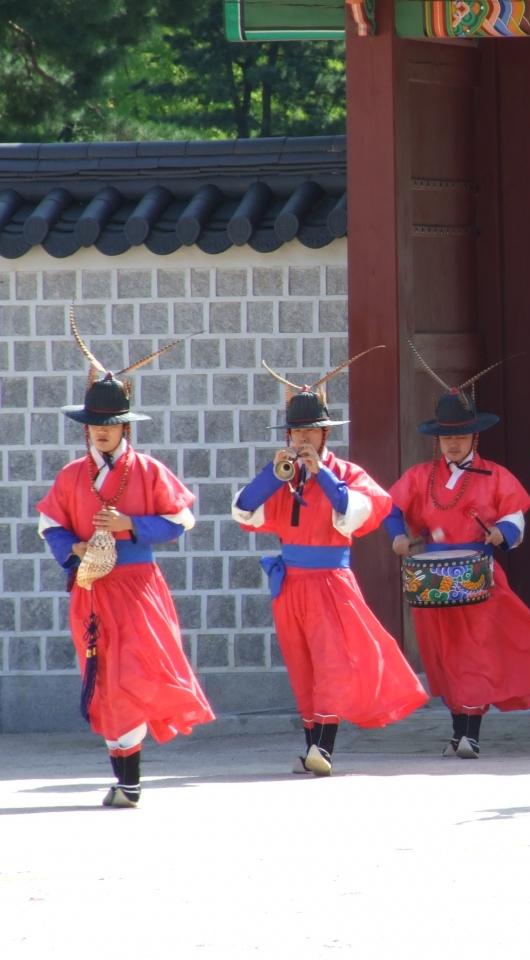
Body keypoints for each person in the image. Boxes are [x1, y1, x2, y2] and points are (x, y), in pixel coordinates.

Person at [36, 320, 214, 807]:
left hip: (137, 586)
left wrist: (130, 525)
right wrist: (73, 548)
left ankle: (130, 781)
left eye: (110, 424)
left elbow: (181, 520)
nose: (101, 431)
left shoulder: (150, 470)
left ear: (125, 426)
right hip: (92, 586)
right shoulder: (72, 475)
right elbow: (49, 525)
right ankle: (126, 780)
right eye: (95, 424)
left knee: (135, 672)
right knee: (105, 680)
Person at [233, 349, 428, 776]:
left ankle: (324, 746)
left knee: (331, 661)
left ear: (325, 435)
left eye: (311, 431)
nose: (302, 439)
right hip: (290, 583)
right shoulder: (282, 476)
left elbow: (355, 511)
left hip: (330, 580)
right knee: (301, 664)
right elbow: (245, 509)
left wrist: (321, 472)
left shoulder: (346, 472)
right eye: (296, 431)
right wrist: (273, 475)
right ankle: (311, 746)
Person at [386, 372, 530, 758]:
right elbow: (391, 507)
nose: (453, 443)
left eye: (460, 435)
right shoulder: (420, 477)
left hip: (478, 578)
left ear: (475, 436)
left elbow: (515, 518)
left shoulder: (496, 476)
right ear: (438, 440)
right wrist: (398, 535)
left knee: (475, 654)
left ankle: (470, 733)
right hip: (433, 580)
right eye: (446, 437)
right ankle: (459, 730)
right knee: (444, 657)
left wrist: (502, 533)